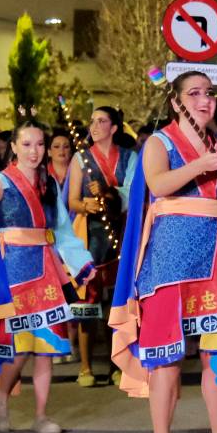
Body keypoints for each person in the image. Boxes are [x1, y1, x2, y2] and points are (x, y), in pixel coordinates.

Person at [110, 70, 217, 433]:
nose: (204, 100)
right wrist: (201, 164)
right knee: (165, 356)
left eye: (210, 93)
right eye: (194, 93)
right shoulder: (159, 142)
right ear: (176, 102)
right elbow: (159, 184)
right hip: (170, 258)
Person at [0, 120, 92, 433]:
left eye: (39, 144)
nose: (34, 151)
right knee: (22, 345)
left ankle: (41, 415)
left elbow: (62, 229)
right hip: (13, 272)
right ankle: (1, 398)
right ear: (13, 147)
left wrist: (82, 264)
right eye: (26, 144)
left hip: (47, 270)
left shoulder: (49, 184)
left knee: (47, 346)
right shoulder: (1, 182)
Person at [68, 106, 132, 388]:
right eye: (92, 121)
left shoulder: (131, 157)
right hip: (89, 237)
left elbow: (133, 191)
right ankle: (85, 366)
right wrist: (86, 205)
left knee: (117, 305)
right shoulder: (80, 159)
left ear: (114, 127)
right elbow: (71, 201)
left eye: (101, 121)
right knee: (88, 303)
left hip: (120, 232)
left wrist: (108, 194)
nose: (94, 126)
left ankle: (117, 364)